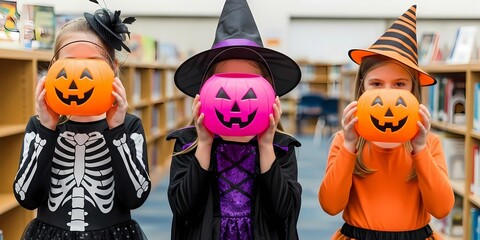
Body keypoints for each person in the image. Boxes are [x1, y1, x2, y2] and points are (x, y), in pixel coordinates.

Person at [13, 2, 150, 239]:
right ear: (54, 68)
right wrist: (47, 128)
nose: (78, 75)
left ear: (113, 69)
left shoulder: (128, 126)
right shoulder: (39, 126)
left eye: (92, 63)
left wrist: (116, 130)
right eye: (70, 63)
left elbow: (136, 196)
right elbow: (26, 197)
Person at [166, 0, 302, 239]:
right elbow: (182, 208)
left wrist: (266, 145)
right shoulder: (188, 143)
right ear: (205, 89)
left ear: (269, 91)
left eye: (249, 85)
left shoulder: (281, 147)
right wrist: (205, 144)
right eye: (224, 84)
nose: (236, 98)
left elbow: (284, 212)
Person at [318, 5, 455, 240]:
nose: (389, 97)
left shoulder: (430, 143)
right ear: (362, 89)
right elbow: (331, 205)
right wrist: (350, 146)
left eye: (400, 85)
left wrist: (420, 149)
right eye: (377, 85)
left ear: (414, 92)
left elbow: (441, 208)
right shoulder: (344, 141)